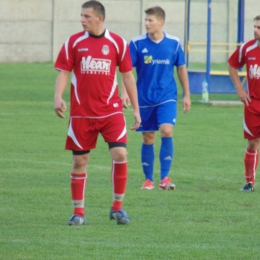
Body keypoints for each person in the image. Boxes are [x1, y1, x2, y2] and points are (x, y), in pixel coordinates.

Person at [54, 0, 141, 225]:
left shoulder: (118, 43)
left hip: (111, 112)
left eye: (86, 16)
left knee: (120, 154)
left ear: (100, 18)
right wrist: (58, 96)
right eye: (81, 16)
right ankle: (78, 212)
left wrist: (136, 109)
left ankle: (118, 207)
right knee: (80, 161)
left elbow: (128, 76)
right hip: (82, 113)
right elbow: (64, 71)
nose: (82, 20)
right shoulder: (73, 42)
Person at [122, 6, 191, 190]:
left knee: (167, 131)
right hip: (144, 97)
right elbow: (127, 70)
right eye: (146, 20)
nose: (147, 23)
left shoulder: (174, 43)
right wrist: (125, 93)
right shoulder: (136, 43)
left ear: (161, 22)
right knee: (148, 138)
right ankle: (148, 180)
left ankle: (165, 178)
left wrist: (187, 95)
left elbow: (181, 68)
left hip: (167, 96)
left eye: (150, 20)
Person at [228, 15, 260, 192]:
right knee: (252, 143)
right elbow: (232, 64)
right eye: (255, 27)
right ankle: (250, 183)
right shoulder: (247, 48)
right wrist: (240, 88)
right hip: (253, 103)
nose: (255, 30)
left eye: (259, 28)